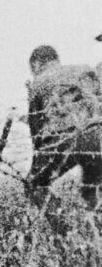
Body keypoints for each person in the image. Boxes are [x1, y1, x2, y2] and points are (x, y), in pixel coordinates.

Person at [24, 45, 101, 233]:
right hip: (98, 134)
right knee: (93, 188)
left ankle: (64, 233)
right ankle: (97, 238)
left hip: (64, 138)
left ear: (36, 64)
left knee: (34, 184)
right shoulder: (84, 69)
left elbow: (37, 129)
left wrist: (39, 161)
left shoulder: (39, 82)